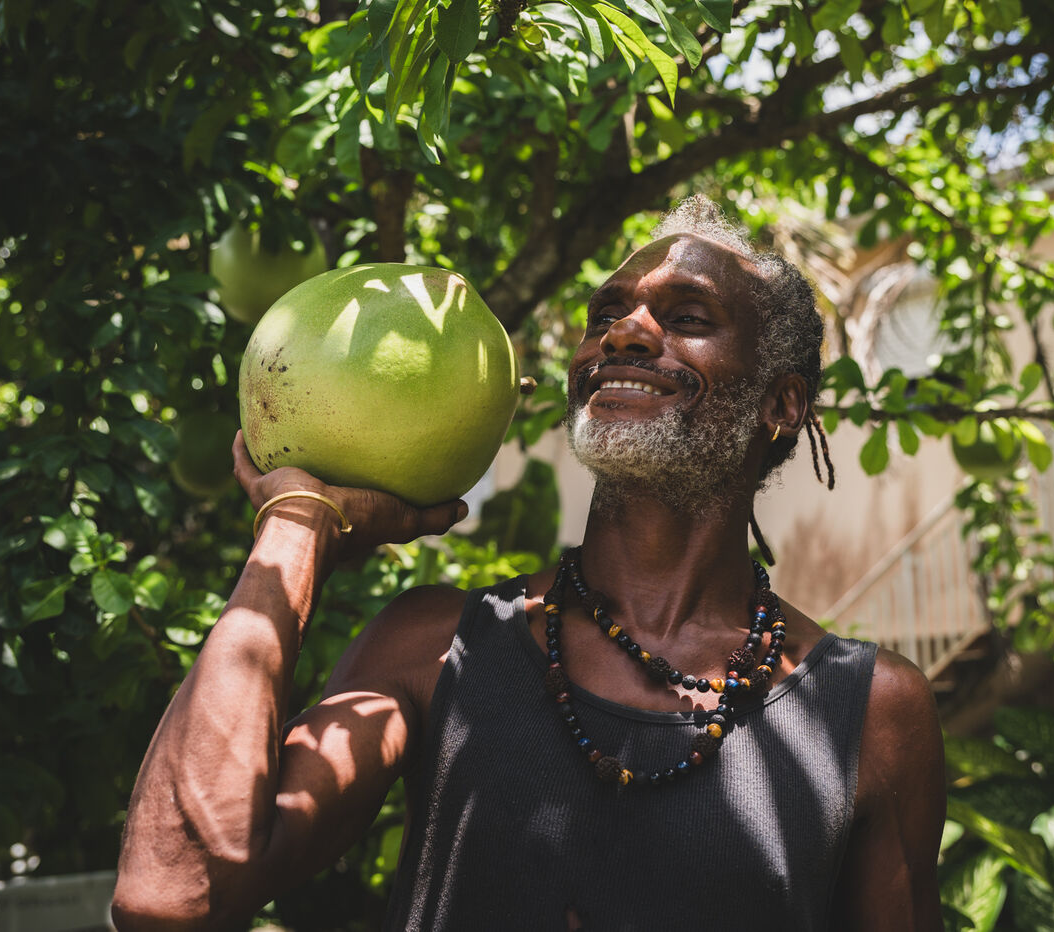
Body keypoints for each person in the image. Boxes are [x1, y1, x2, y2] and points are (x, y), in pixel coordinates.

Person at [112, 196, 946, 930]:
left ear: (782, 404)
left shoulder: (874, 714)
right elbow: (173, 894)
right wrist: (298, 524)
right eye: (605, 314)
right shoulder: (432, 648)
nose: (624, 332)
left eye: (688, 317)